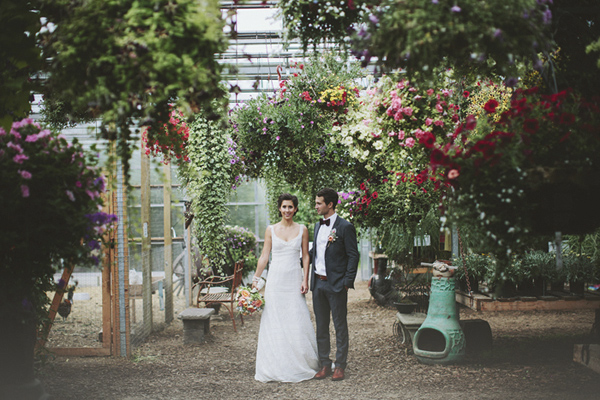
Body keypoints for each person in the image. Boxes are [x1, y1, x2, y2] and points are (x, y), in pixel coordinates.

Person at [252, 193, 319, 382]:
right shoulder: (271, 230)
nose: (287, 210)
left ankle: (298, 362)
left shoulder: (303, 229)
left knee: (296, 317)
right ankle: (275, 364)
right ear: (279, 208)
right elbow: (265, 256)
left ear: (295, 209)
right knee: (274, 319)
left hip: (293, 278)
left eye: (290, 207)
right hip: (276, 280)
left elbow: (306, 256)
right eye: (284, 207)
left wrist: (305, 279)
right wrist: (256, 278)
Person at [310, 188, 359, 381]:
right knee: (321, 326)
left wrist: (347, 282)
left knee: (340, 326)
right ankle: (325, 364)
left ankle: (340, 365)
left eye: (319, 203)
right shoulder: (317, 226)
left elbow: (353, 255)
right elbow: (316, 252)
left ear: (330, 204)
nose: (316, 206)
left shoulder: (345, 227)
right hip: (318, 284)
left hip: (337, 284)